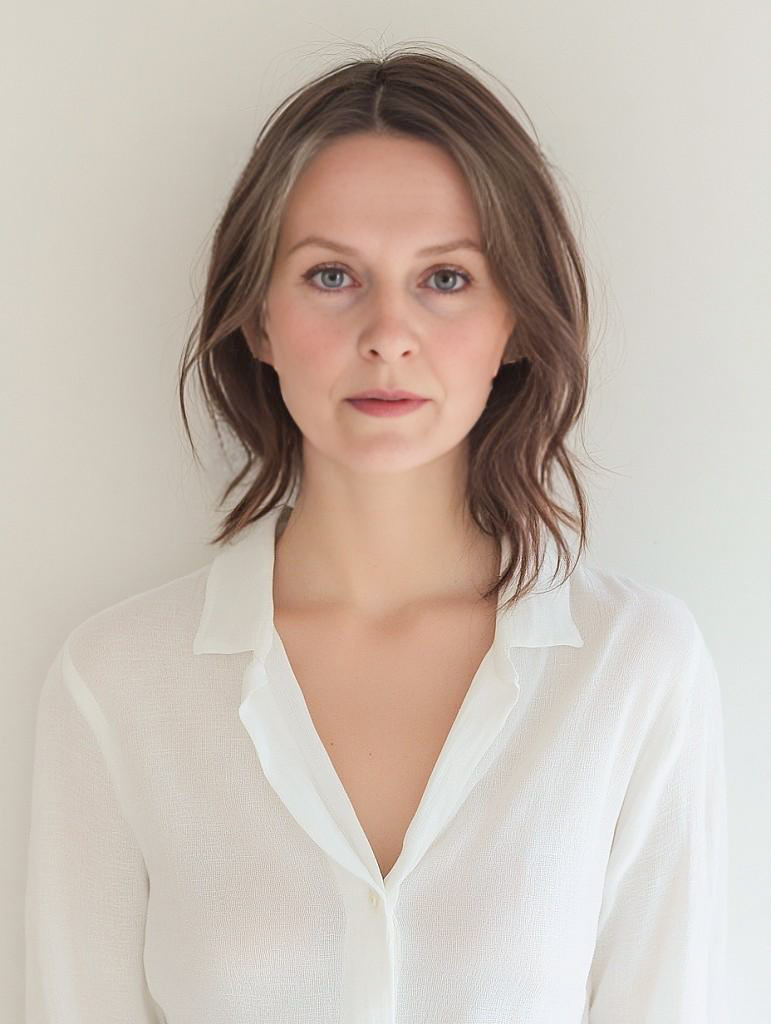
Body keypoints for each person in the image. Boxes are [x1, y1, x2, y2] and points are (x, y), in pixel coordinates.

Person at [25, 43, 727, 1023]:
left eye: (445, 278)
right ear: (258, 321)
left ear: (516, 321)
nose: (387, 331)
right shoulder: (116, 685)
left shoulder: (633, 670)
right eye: (330, 276)